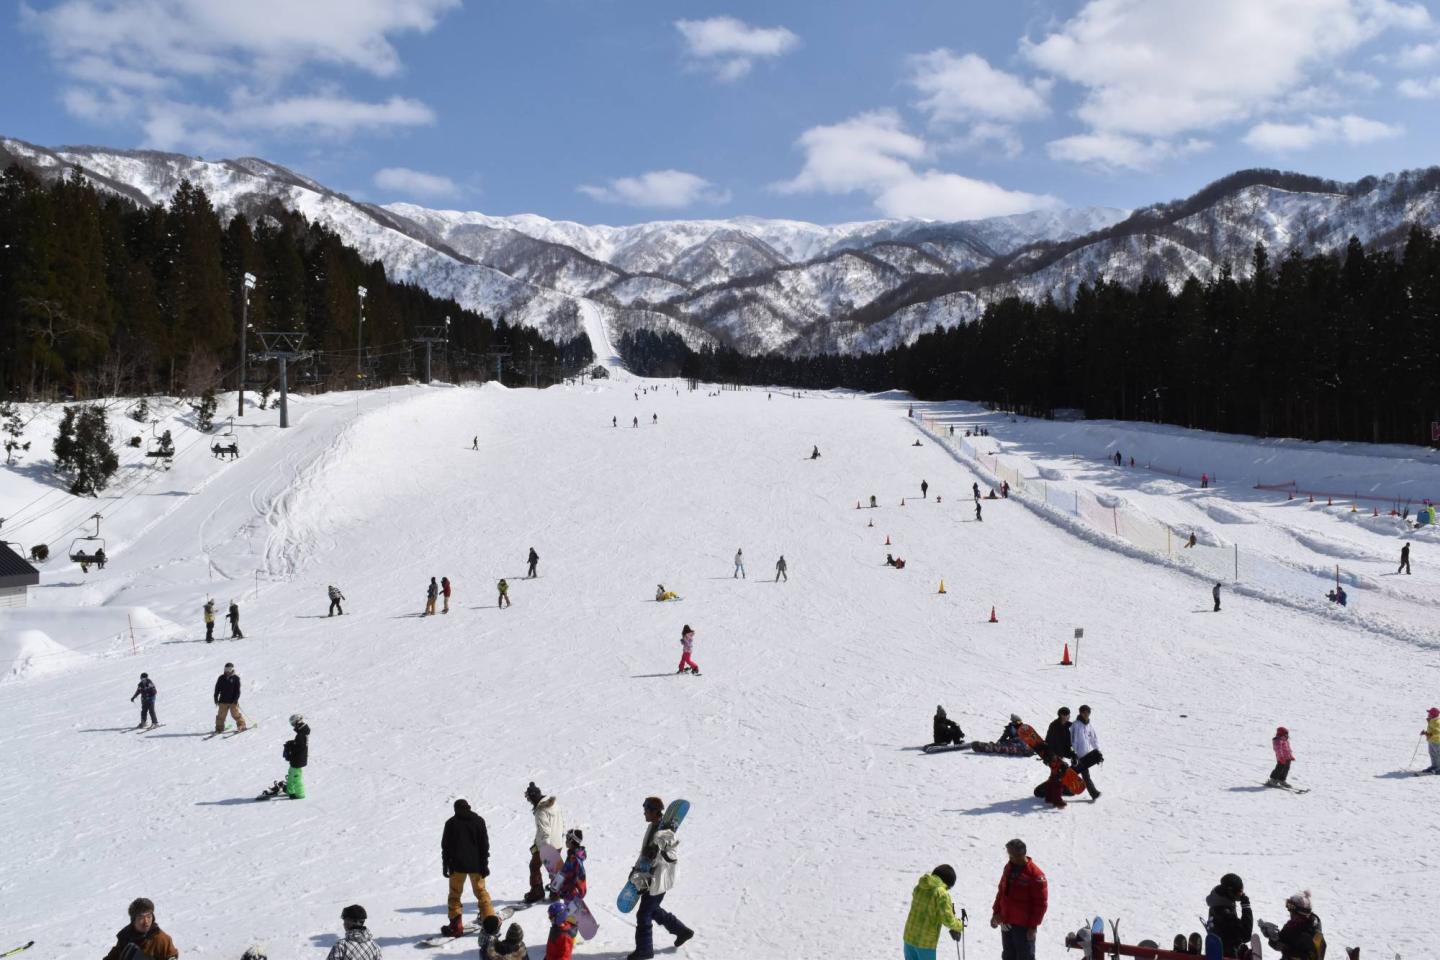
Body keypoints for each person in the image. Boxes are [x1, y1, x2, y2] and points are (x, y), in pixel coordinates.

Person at [629, 796, 694, 960]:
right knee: (653, 910)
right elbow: (645, 853)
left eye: (646, 810)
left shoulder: (666, 832)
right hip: (648, 879)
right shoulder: (652, 827)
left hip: (659, 880)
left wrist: (661, 850)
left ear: (654, 811)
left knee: (643, 914)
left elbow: (671, 854)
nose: (644, 813)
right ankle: (682, 931)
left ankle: (645, 950)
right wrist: (637, 869)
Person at [441, 798, 494, 936]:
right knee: (481, 892)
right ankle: (490, 923)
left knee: (454, 895)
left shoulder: (451, 823)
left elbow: (446, 847)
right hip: (476, 866)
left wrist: (445, 864)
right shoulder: (479, 821)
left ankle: (456, 926)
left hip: (457, 866)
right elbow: (484, 845)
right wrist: (484, 864)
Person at [991, 839, 1047, 960]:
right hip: (1006, 923)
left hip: (1024, 927)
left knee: (1025, 957)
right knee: (1008, 956)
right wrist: (996, 913)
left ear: (1021, 854)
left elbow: (1040, 904)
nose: (1010, 858)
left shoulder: (1036, 875)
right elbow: (1001, 892)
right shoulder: (1008, 868)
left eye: (1012, 855)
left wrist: (1033, 927)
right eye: (1009, 854)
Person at [902, 864, 965, 960]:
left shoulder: (920, 886)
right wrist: (959, 925)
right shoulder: (941, 893)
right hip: (925, 943)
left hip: (909, 938)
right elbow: (948, 920)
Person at [524, 782, 566, 904]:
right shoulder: (554, 805)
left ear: (533, 797)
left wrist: (545, 850)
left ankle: (537, 892)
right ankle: (557, 892)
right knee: (555, 869)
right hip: (557, 842)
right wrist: (560, 837)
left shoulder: (541, 811)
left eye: (529, 798)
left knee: (534, 866)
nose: (529, 801)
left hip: (546, 845)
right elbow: (562, 822)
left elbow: (545, 832)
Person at [102, 897, 179, 960]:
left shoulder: (160, 938)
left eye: (149, 916)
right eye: (141, 917)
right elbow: (113, 956)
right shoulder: (126, 937)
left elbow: (172, 956)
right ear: (133, 920)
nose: (146, 921)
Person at [1260, 891, 1325, 959]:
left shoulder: (1308, 934)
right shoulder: (1293, 925)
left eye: (1292, 913)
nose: (1290, 915)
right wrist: (1272, 937)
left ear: (1301, 914)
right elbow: (1282, 941)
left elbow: (1305, 956)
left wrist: (1284, 947)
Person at [1206, 873, 1254, 959]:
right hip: (1227, 956)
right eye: (1239, 892)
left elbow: (1229, 935)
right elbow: (1246, 935)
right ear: (1230, 892)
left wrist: (1240, 948)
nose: (1242, 894)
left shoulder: (1218, 902)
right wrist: (1246, 906)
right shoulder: (1225, 914)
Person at [1070, 704, 1102, 799]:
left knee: (1072, 773)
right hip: (1078, 756)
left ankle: (1065, 788)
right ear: (1080, 713)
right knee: (1084, 775)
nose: (1086, 714)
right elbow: (1073, 741)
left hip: (1087, 755)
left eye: (1088, 713)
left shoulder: (1089, 725)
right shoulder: (1075, 725)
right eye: (1084, 712)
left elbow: (1093, 739)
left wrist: (1098, 751)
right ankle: (1094, 793)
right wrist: (1074, 754)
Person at [551, 828, 587, 903]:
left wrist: (563, 890)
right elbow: (567, 871)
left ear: (572, 841)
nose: (565, 841)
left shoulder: (574, 858)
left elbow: (574, 877)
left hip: (575, 891)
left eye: (567, 838)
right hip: (577, 888)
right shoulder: (574, 854)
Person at [213, 663, 247, 733]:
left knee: (235, 714)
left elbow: (237, 691)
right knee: (221, 716)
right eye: (226, 669)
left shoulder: (236, 678)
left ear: (232, 669)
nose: (227, 671)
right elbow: (217, 689)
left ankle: (241, 725)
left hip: (232, 701)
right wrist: (216, 698)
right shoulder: (221, 678)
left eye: (229, 669)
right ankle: (219, 728)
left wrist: (235, 700)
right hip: (223, 701)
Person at [282, 713, 309, 798]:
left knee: (296, 778)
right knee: (291, 774)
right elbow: (299, 744)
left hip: (298, 759)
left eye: (293, 724)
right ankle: (290, 790)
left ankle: (300, 794)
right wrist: (291, 743)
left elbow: (299, 747)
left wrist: (291, 748)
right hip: (297, 759)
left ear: (298, 722)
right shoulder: (302, 732)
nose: (293, 726)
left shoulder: (301, 734)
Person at [1423, 707, 1440, 774]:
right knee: (1432, 753)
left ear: (1433, 715)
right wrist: (1425, 733)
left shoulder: (1437, 722)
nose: (1428, 714)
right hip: (1431, 741)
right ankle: (1434, 766)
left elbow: (1437, 732)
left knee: (1438, 754)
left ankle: (1439, 767)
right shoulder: (1432, 720)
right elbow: (1431, 730)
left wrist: (1429, 734)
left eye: (1429, 713)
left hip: (1437, 741)